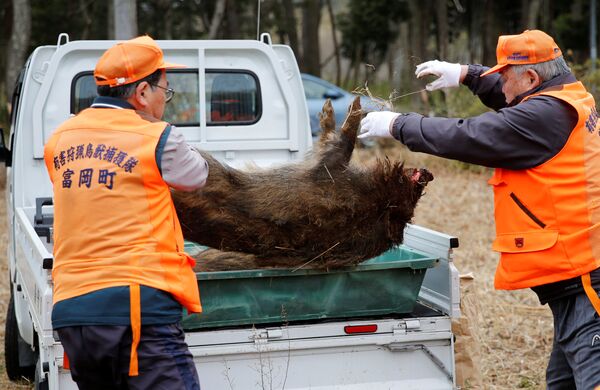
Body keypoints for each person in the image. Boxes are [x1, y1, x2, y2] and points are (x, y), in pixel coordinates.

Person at [359, 29, 600, 388]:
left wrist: (398, 124)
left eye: (503, 76)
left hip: (583, 275)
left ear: (532, 77)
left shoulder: (545, 116)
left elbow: (470, 134)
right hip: (578, 268)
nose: (499, 84)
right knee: (561, 381)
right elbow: (514, 103)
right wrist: (467, 75)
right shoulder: (566, 96)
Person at [43, 36, 208, 389]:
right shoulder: (157, 137)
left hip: (72, 312)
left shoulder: (59, 138)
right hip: (137, 308)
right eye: (166, 88)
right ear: (144, 92)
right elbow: (197, 176)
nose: (167, 97)